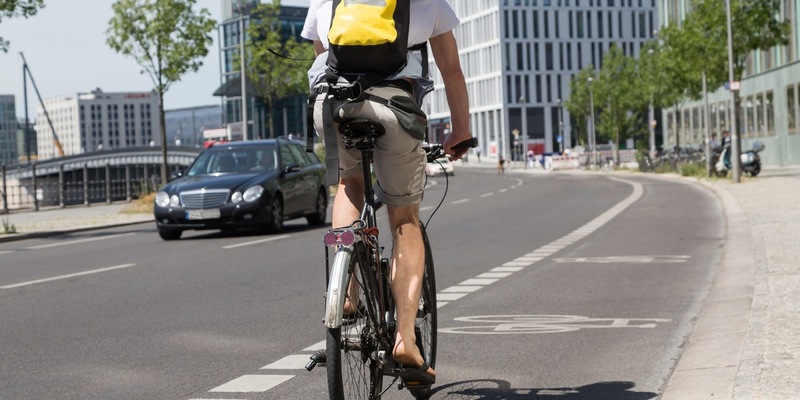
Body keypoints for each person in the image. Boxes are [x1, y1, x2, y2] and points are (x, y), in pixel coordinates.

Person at [302, 0, 472, 382]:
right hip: (392, 108)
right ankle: (405, 339)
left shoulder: (326, 0)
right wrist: (461, 131)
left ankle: (346, 290)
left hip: (332, 104)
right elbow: (453, 72)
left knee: (349, 184)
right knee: (404, 218)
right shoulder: (430, 4)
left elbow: (322, 58)